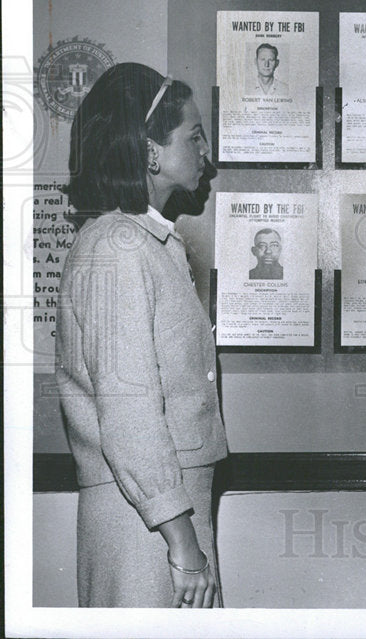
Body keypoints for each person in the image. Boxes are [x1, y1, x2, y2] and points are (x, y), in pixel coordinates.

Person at [56, 63, 228, 608]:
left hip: (163, 517)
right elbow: (129, 411)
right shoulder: (117, 247)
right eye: (194, 136)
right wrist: (182, 544)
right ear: (150, 150)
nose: (207, 153)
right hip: (148, 529)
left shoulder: (145, 244)